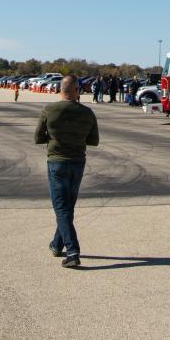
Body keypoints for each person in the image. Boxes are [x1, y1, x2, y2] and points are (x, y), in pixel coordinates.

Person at [34, 76, 100, 268]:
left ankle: (72, 251)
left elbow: (38, 137)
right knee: (67, 207)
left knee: (61, 208)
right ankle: (57, 244)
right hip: (78, 162)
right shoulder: (87, 113)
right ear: (77, 90)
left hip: (57, 162)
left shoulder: (49, 110)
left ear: (59, 90)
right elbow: (94, 140)